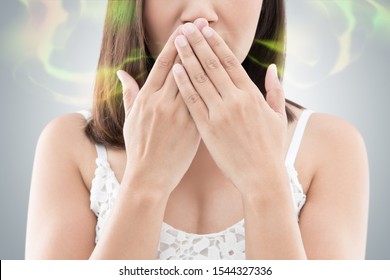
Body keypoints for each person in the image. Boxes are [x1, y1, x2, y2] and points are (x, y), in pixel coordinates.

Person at [25, 0, 369, 260]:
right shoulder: (69, 144)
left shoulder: (331, 146)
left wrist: (264, 184)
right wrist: (146, 184)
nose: (201, 13)